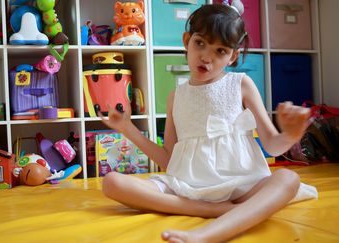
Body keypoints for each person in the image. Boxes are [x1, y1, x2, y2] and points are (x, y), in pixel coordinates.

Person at [99, 3, 318, 243]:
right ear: (186, 40)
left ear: (233, 56)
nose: (206, 57)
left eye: (220, 51)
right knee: (112, 183)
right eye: (200, 43)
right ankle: (217, 210)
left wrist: (290, 134)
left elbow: (273, 146)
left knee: (288, 179)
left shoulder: (241, 84)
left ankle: (208, 234)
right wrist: (127, 129)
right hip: (188, 187)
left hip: (242, 186)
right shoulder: (176, 96)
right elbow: (169, 159)